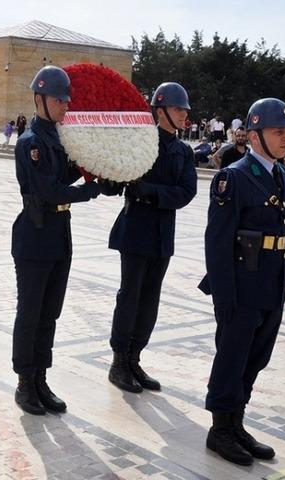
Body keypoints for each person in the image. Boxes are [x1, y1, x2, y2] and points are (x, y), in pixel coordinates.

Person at [199, 97, 285, 466]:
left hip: (272, 284)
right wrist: (224, 296)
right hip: (242, 286)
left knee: (256, 357)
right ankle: (220, 428)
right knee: (232, 356)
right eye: (277, 132)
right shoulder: (234, 177)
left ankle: (237, 422)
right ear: (255, 136)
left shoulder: (281, 173)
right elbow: (218, 241)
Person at [11, 66, 101, 416]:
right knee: (30, 313)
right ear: (39, 99)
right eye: (58, 100)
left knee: (50, 313)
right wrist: (89, 190)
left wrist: (95, 168)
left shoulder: (59, 138)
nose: (65, 106)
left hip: (59, 234)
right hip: (35, 234)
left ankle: (41, 379)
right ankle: (24, 382)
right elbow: (48, 190)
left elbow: (63, 173)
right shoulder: (31, 142)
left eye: (67, 100)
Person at [102, 82, 197, 394]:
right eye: (178, 108)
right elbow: (120, 176)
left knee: (150, 298)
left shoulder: (183, 151)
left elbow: (187, 191)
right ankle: (119, 362)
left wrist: (152, 192)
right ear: (160, 110)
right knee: (130, 296)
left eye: (185, 110)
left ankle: (134, 358)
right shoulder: (140, 142)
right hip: (136, 227)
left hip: (161, 231)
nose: (184, 114)